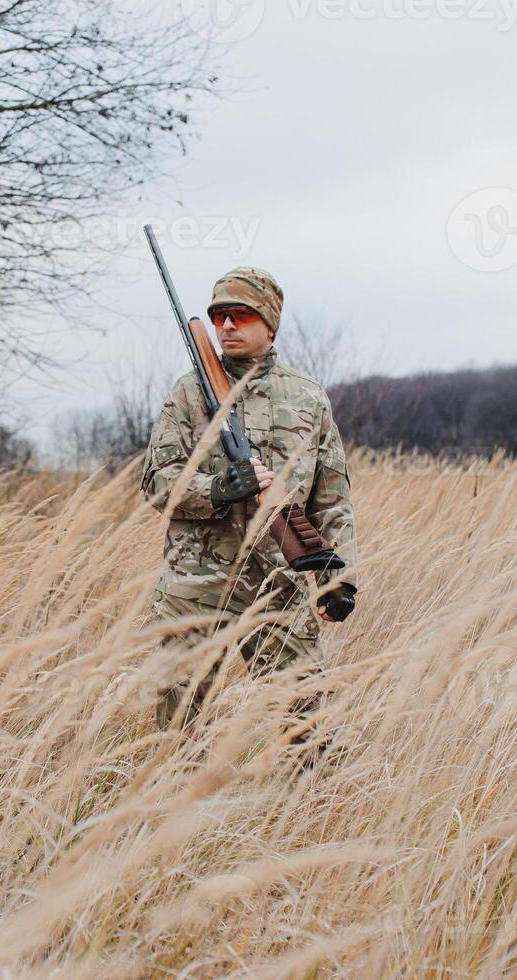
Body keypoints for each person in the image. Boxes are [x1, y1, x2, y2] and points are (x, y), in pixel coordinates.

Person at [141, 266, 358, 731]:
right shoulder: (188, 394)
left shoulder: (307, 399)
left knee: (307, 724)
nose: (227, 326)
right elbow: (158, 482)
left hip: (279, 584)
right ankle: (174, 803)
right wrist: (218, 489)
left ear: (270, 324)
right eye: (219, 316)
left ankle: (309, 804)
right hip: (196, 585)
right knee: (175, 727)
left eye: (240, 315)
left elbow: (332, 499)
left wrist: (340, 579)